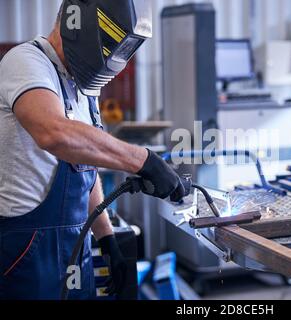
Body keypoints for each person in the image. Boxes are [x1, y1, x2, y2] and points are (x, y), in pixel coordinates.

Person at [0, 0, 185, 300]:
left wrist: (107, 238)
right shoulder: (26, 62)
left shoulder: (85, 92)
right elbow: (55, 133)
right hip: (27, 256)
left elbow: (85, 171)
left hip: (76, 251)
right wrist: (143, 161)